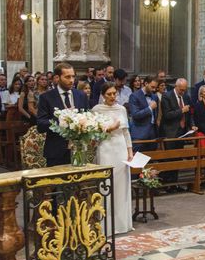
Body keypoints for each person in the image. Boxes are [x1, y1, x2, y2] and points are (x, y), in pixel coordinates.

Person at [92, 82, 133, 234]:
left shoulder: (121, 109)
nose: (112, 97)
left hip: (121, 149)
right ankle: (105, 226)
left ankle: (122, 223)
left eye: (114, 93)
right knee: (105, 185)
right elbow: (94, 134)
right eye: (109, 94)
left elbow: (126, 132)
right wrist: (109, 129)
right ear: (103, 95)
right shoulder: (97, 109)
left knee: (121, 186)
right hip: (105, 148)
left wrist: (130, 151)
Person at [36, 62, 90, 166]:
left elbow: (87, 117)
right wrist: (61, 120)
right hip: (56, 151)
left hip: (78, 149)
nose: (71, 80)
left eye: (73, 76)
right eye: (67, 77)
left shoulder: (81, 95)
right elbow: (41, 125)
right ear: (57, 77)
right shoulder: (46, 97)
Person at [160, 78, 196, 185]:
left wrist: (192, 125)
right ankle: (167, 184)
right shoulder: (166, 96)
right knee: (170, 159)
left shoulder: (186, 96)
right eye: (181, 90)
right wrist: (181, 110)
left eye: (184, 90)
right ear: (176, 86)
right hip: (170, 132)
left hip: (182, 132)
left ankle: (175, 183)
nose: (183, 92)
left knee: (178, 158)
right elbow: (167, 115)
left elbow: (189, 114)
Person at [128, 75, 159, 151]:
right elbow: (135, 115)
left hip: (152, 134)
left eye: (155, 87)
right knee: (137, 161)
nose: (154, 89)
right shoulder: (134, 96)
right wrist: (149, 108)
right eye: (152, 87)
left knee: (152, 160)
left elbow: (155, 115)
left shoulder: (155, 97)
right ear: (145, 83)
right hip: (139, 134)